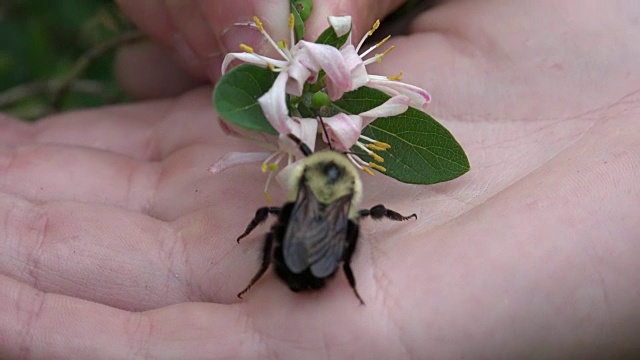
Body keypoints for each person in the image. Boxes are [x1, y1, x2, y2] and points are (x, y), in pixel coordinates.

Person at [1, 0, 639, 358]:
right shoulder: (326, 166)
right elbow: (340, 202)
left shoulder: (314, 166)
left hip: (313, 231)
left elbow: (297, 197)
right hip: (321, 233)